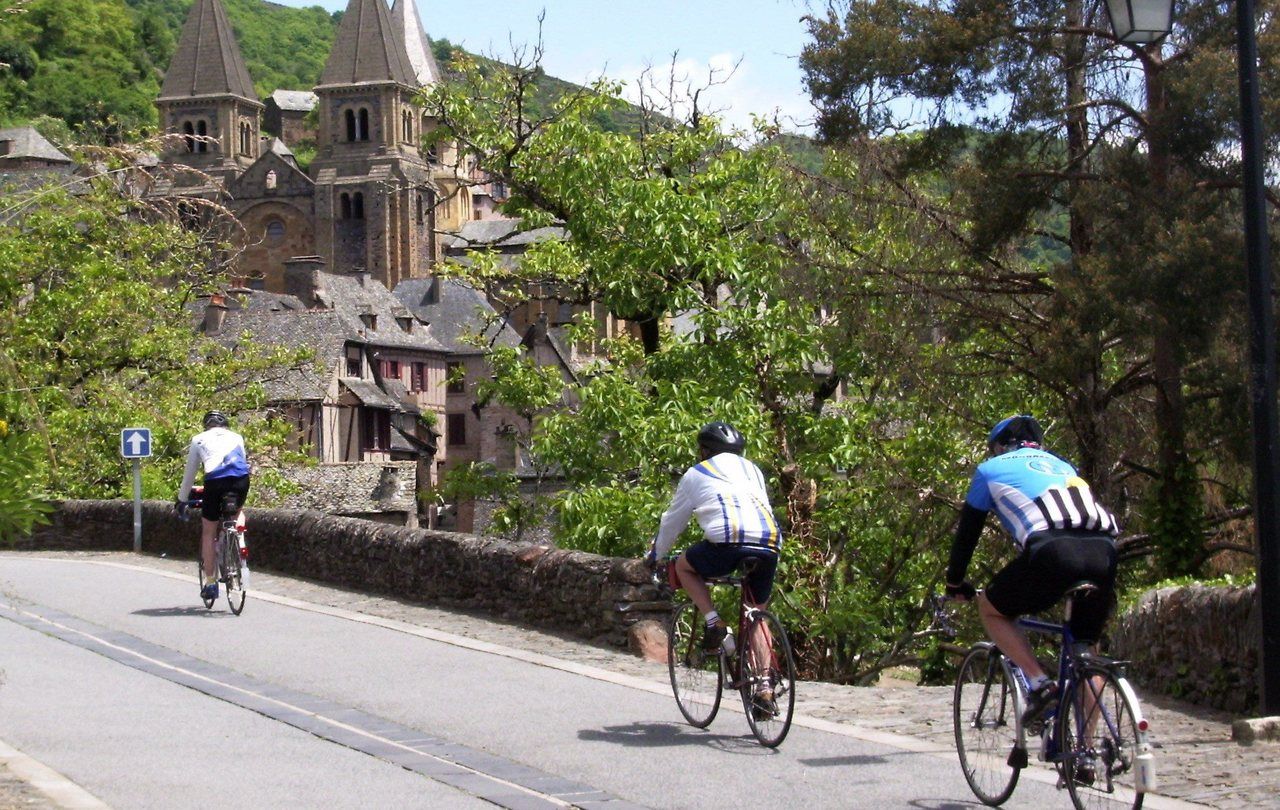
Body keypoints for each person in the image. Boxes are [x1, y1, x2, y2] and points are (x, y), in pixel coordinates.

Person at [945, 414, 1120, 726]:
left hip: (1053, 551)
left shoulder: (989, 470)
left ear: (998, 447)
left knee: (992, 608)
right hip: (1103, 551)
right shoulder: (1063, 467)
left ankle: (1039, 684)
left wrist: (955, 581)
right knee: (1085, 654)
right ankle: (1086, 757)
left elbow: (967, 534)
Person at [646, 421, 782, 669]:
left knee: (684, 566)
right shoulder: (754, 471)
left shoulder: (696, 473)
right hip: (769, 542)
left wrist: (656, 554)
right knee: (757, 616)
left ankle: (714, 622)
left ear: (704, 451)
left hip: (727, 542)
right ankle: (765, 688)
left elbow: (672, 522)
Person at [177, 411, 251, 601]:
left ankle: (211, 582)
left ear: (206, 425)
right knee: (238, 510)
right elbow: (242, 461)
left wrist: (182, 498)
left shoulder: (198, 439)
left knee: (209, 530)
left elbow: (190, 473)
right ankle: (238, 534)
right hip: (241, 480)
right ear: (224, 425)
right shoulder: (236, 437)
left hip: (215, 482)